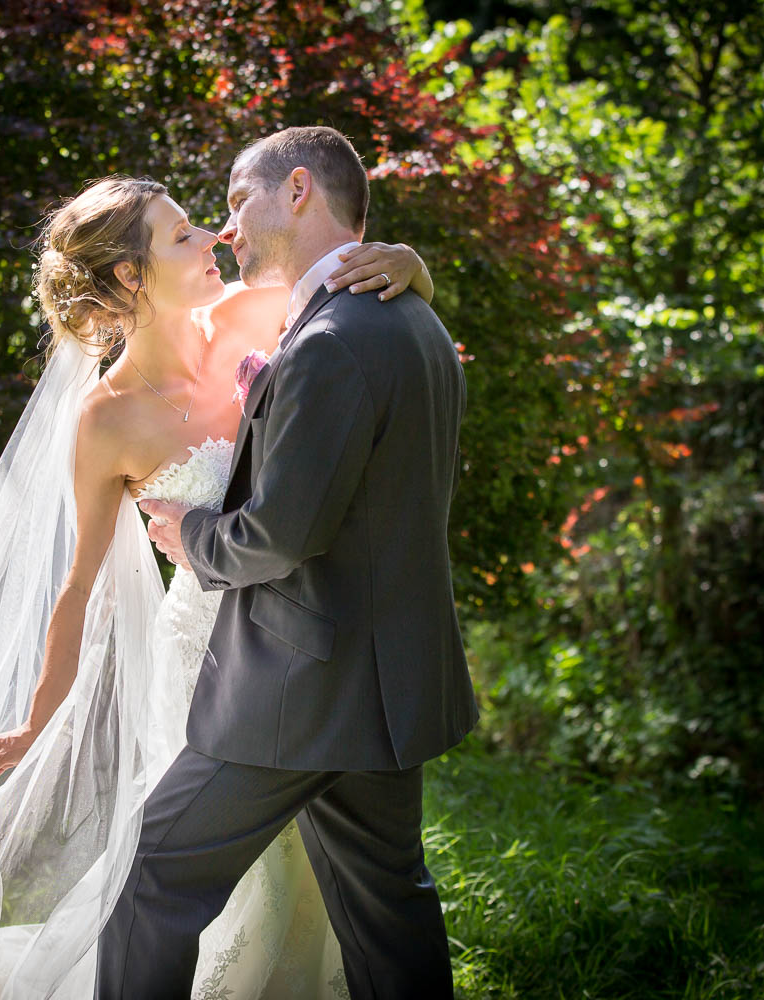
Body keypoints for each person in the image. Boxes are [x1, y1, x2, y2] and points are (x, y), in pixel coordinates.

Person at [0, 171, 435, 1000]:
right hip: (211, 663)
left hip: (319, 638)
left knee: (332, 882)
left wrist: (409, 264)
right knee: (204, 881)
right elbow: (79, 586)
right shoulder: (106, 420)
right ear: (130, 277)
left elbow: (350, 297)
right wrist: (38, 718)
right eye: (184, 234)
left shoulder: (258, 314)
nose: (215, 238)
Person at [99, 127, 476, 1000]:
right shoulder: (411, 315)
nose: (227, 229)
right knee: (388, 908)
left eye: (237, 201)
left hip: (296, 688)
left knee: (153, 879)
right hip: (383, 689)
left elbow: (278, 535)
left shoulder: (332, 339)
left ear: (297, 190)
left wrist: (189, 533)